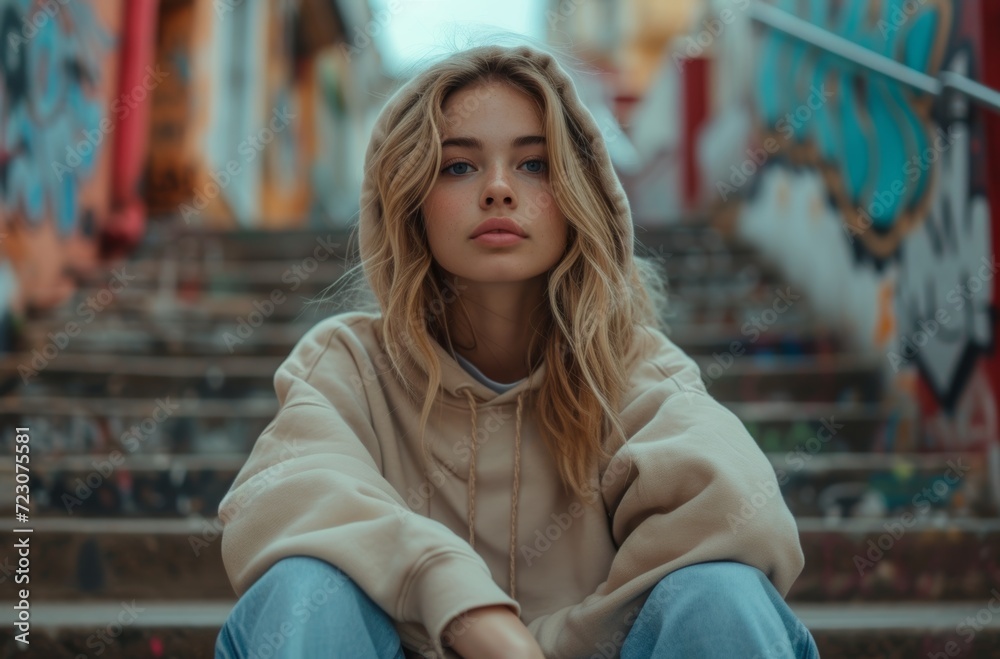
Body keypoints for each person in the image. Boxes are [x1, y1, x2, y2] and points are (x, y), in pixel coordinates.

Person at [214, 42, 819, 659]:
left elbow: (743, 517)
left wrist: (547, 646)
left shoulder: (635, 370)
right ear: (412, 203)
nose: (500, 189)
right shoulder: (350, 364)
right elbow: (285, 496)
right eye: (458, 167)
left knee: (721, 595)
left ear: (580, 195)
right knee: (302, 585)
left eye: (534, 165)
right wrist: (464, 612)